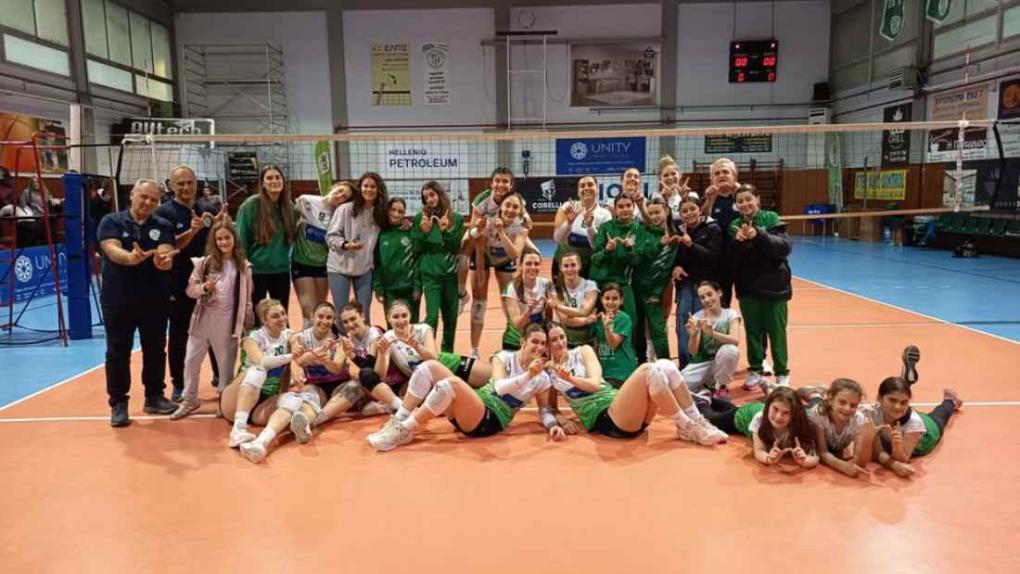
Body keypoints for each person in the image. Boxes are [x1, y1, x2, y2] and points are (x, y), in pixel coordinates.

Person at [366, 324, 560, 451]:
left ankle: (404, 429)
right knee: (429, 366)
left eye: (543, 344)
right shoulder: (504, 357)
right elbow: (499, 386)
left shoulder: (542, 379)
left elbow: (544, 411)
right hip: (472, 407)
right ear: (523, 342)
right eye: (535, 341)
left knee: (452, 384)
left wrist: (553, 425)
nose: (539, 347)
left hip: (488, 421)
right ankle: (399, 418)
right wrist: (527, 375)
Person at [544, 323, 728, 445]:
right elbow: (549, 407)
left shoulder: (583, 351)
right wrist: (563, 421)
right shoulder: (550, 372)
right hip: (607, 420)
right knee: (647, 369)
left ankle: (695, 421)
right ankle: (687, 426)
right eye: (553, 340)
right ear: (547, 346)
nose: (560, 342)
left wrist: (570, 378)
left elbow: (595, 384)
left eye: (562, 336)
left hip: (623, 409)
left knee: (666, 365)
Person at [97, 179, 179, 426]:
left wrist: (162, 261)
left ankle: (154, 396)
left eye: (154, 199)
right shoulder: (111, 221)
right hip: (118, 298)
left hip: (154, 297)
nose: (148, 202)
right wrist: (130, 257)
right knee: (117, 350)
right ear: (132, 194)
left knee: (155, 348)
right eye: (144, 196)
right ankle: (118, 403)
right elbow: (112, 249)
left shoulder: (162, 225)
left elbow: (165, 251)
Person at [171, 221, 255, 420]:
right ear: (214, 241)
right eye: (219, 239)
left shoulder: (244, 266)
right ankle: (189, 399)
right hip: (202, 319)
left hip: (227, 321)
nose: (223, 242)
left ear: (234, 239)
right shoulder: (204, 264)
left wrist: (247, 320)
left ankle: (224, 401)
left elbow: (247, 297)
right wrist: (204, 288)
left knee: (225, 366)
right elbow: (190, 290)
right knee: (190, 360)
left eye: (227, 238)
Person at [156, 165, 226, 401]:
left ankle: (220, 376)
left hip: (209, 280)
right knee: (180, 333)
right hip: (178, 281)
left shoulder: (207, 209)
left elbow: (219, 242)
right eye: (180, 183)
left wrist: (221, 226)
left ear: (196, 184)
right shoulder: (164, 213)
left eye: (189, 182)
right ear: (172, 186)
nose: (186, 187)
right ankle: (179, 383)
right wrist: (191, 231)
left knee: (216, 329)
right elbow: (168, 247)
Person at [728, 183, 792, 390]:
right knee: (753, 333)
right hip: (748, 289)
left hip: (774, 287)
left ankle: (782, 373)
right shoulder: (734, 226)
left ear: (757, 199)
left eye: (748, 199)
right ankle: (755, 370)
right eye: (740, 201)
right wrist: (737, 243)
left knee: (777, 333)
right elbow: (732, 261)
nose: (745, 204)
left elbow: (783, 248)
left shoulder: (771, 219)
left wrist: (759, 235)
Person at [860, 349, 963, 478]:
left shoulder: (915, 424)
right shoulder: (870, 413)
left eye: (904, 402)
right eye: (892, 400)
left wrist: (896, 445)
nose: (897, 406)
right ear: (879, 398)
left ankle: (950, 400)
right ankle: (905, 383)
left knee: (940, 415)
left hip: (928, 432)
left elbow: (902, 459)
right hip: (902, 417)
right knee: (897, 411)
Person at [219, 298, 301, 458]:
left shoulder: (287, 335)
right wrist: (292, 355)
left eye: (283, 313)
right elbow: (262, 361)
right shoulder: (252, 337)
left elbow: (292, 345)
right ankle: (238, 430)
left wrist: (296, 345)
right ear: (264, 320)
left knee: (294, 399)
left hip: (262, 404)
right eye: (275, 316)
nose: (282, 318)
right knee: (259, 369)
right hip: (236, 399)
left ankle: (261, 443)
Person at [467, 192, 530, 357]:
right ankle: (474, 350)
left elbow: (514, 254)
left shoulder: (521, 227)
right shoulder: (487, 222)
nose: (510, 210)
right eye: (507, 205)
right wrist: (481, 276)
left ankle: (513, 343)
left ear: (520, 210)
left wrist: (502, 233)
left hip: (505, 257)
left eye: (515, 207)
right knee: (479, 302)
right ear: (501, 206)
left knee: (509, 300)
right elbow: (479, 251)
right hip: (484, 255)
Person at [698, 387, 819, 469]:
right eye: (775, 409)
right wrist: (768, 459)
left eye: (786, 413)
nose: (778, 416)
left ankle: (718, 401)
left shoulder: (802, 425)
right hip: (744, 416)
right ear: (768, 406)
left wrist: (804, 461)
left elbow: (815, 457)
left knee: (729, 410)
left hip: (756, 410)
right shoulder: (759, 420)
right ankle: (702, 401)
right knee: (711, 419)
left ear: (795, 414)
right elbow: (759, 450)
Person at [326, 172, 388, 327]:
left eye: (373, 186)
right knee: (342, 312)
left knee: (364, 312)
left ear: (379, 190)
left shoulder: (380, 213)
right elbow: (331, 236)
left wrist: (405, 225)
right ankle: (343, 341)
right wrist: (345, 245)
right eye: (365, 186)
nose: (369, 189)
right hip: (339, 267)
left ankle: (364, 343)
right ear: (359, 188)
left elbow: (393, 227)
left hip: (364, 268)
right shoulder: (345, 209)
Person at [235, 165, 297, 310]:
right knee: (256, 316)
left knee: (281, 314)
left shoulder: (289, 206)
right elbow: (241, 240)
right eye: (269, 178)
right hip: (256, 271)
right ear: (262, 183)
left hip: (281, 270)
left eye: (277, 177)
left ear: (283, 181)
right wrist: (243, 269)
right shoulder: (250, 205)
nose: (274, 181)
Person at [413, 181, 464, 353]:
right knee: (432, 316)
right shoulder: (420, 219)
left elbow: (456, 248)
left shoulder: (456, 218)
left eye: (432, 195)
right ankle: (429, 352)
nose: (429, 199)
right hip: (430, 276)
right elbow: (416, 249)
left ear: (440, 195)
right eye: (426, 197)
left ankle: (447, 354)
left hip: (450, 276)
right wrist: (424, 233)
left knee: (450, 318)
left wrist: (445, 231)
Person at [293, 181, 353, 328]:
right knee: (309, 313)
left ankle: (320, 341)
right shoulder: (305, 201)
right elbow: (287, 218)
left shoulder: (340, 216)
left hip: (324, 266)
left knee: (320, 311)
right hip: (302, 263)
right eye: (340, 190)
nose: (340, 196)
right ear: (334, 187)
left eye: (345, 197)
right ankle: (307, 340)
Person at [672, 193, 722, 367]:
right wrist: (676, 267)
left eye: (692, 209)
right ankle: (685, 365)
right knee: (685, 324)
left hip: (705, 286)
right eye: (684, 211)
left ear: (700, 210)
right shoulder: (679, 231)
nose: (689, 213)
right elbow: (676, 257)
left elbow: (713, 258)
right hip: (686, 285)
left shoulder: (713, 229)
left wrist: (691, 245)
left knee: (705, 325)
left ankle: (706, 365)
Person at [798, 378, 876, 478]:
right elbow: (822, 452)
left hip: (828, 408)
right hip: (812, 411)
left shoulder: (859, 419)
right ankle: (813, 393)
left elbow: (859, 460)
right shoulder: (818, 416)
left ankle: (818, 394)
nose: (847, 408)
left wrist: (868, 439)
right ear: (831, 400)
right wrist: (842, 466)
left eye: (853, 405)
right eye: (842, 402)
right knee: (812, 403)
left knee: (820, 402)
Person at [633, 196, 680, 362]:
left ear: (666, 211)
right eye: (651, 213)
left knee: (658, 329)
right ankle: (641, 362)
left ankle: (665, 364)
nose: (654, 217)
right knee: (637, 327)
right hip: (638, 287)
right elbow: (640, 257)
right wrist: (659, 244)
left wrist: (656, 292)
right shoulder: (643, 232)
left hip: (657, 289)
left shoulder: (675, 236)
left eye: (657, 212)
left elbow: (668, 267)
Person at [680, 281, 742, 398]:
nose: (707, 300)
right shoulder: (697, 317)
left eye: (709, 294)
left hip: (721, 362)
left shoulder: (730, 314)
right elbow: (693, 352)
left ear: (719, 293)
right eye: (702, 297)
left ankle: (721, 386)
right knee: (680, 387)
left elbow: (735, 340)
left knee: (731, 351)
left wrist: (712, 334)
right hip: (702, 363)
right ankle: (705, 389)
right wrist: (693, 335)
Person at [590, 194, 641, 319]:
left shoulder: (639, 229)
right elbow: (595, 258)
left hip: (624, 283)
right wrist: (607, 251)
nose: (625, 209)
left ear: (634, 207)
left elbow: (637, 262)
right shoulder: (605, 228)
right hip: (603, 282)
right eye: (621, 206)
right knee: (602, 320)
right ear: (615, 209)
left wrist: (629, 249)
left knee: (631, 320)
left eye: (628, 205)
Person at [551, 175, 611, 280]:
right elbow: (557, 239)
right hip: (565, 264)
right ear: (578, 191)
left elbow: (598, 246)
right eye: (582, 186)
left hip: (589, 265)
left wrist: (590, 226)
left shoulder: (605, 214)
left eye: (590, 185)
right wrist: (569, 223)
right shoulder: (567, 207)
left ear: (597, 189)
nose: (586, 188)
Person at [701, 158, 741, 307]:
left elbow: (754, 215)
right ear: (711, 179)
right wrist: (710, 200)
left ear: (734, 175)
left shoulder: (742, 196)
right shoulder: (710, 198)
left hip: (741, 258)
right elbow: (702, 221)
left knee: (747, 297)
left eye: (725, 172)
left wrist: (740, 193)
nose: (721, 175)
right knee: (721, 301)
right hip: (718, 260)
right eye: (717, 173)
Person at [374, 197, 420, 324]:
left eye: (400, 212)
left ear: (404, 214)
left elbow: (417, 260)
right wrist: (378, 288)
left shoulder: (410, 232)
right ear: (387, 211)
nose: (396, 214)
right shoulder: (380, 233)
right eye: (393, 210)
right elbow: (376, 263)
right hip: (389, 289)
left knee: (412, 325)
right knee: (393, 325)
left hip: (409, 288)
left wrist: (417, 285)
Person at [500, 248, 551, 350]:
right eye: (528, 264)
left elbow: (550, 317)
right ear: (520, 266)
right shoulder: (512, 288)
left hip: (537, 341)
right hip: (515, 341)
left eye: (536, 264)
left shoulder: (546, 284)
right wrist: (529, 310)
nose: (533, 267)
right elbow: (517, 325)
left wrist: (552, 306)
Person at [548, 251, 599, 348]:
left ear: (579, 266)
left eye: (573, 265)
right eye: (566, 266)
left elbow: (584, 311)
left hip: (588, 339)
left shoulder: (590, 285)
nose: (569, 269)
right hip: (565, 341)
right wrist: (586, 320)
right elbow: (565, 319)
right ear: (561, 268)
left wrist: (558, 306)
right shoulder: (554, 289)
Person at [594, 283, 638, 388]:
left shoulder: (624, 319)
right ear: (601, 299)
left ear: (621, 300)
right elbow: (598, 344)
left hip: (622, 372)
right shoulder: (598, 320)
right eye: (607, 298)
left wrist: (607, 328)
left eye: (615, 299)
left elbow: (613, 344)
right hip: (605, 371)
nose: (610, 302)